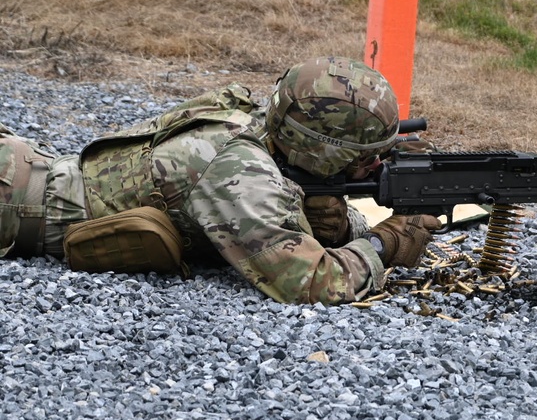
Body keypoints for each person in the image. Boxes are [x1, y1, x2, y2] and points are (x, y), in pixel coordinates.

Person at [0, 56, 441, 305]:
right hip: (14, 204)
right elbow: (313, 282)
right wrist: (385, 245)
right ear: (320, 151)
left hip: (24, 168)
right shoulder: (242, 174)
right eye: (365, 160)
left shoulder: (264, 125)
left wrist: (339, 225)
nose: (374, 168)